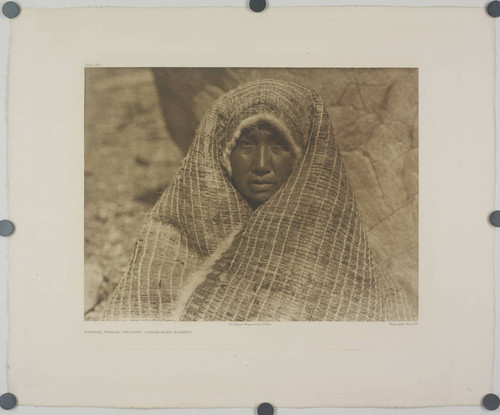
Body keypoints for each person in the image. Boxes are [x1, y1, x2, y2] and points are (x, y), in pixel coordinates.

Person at [104, 79, 417, 321]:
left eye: (280, 145)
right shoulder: (171, 236)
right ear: (220, 150)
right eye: (246, 144)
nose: (262, 164)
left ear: (305, 155)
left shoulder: (334, 257)